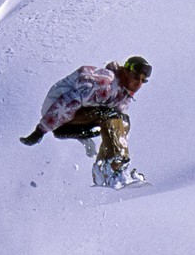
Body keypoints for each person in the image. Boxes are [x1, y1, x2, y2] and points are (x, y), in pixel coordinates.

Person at [20, 56, 152, 186]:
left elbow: (119, 129)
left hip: (76, 115)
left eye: (143, 80)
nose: (139, 83)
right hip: (55, 110)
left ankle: (104, 170)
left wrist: (89, 140)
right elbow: (68, 102)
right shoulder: (105, 84)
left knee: (122, 120)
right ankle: (114, 169)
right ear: (125, 71)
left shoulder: (123, 95)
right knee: (109, 115)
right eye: (136, 76)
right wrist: (40, 130)